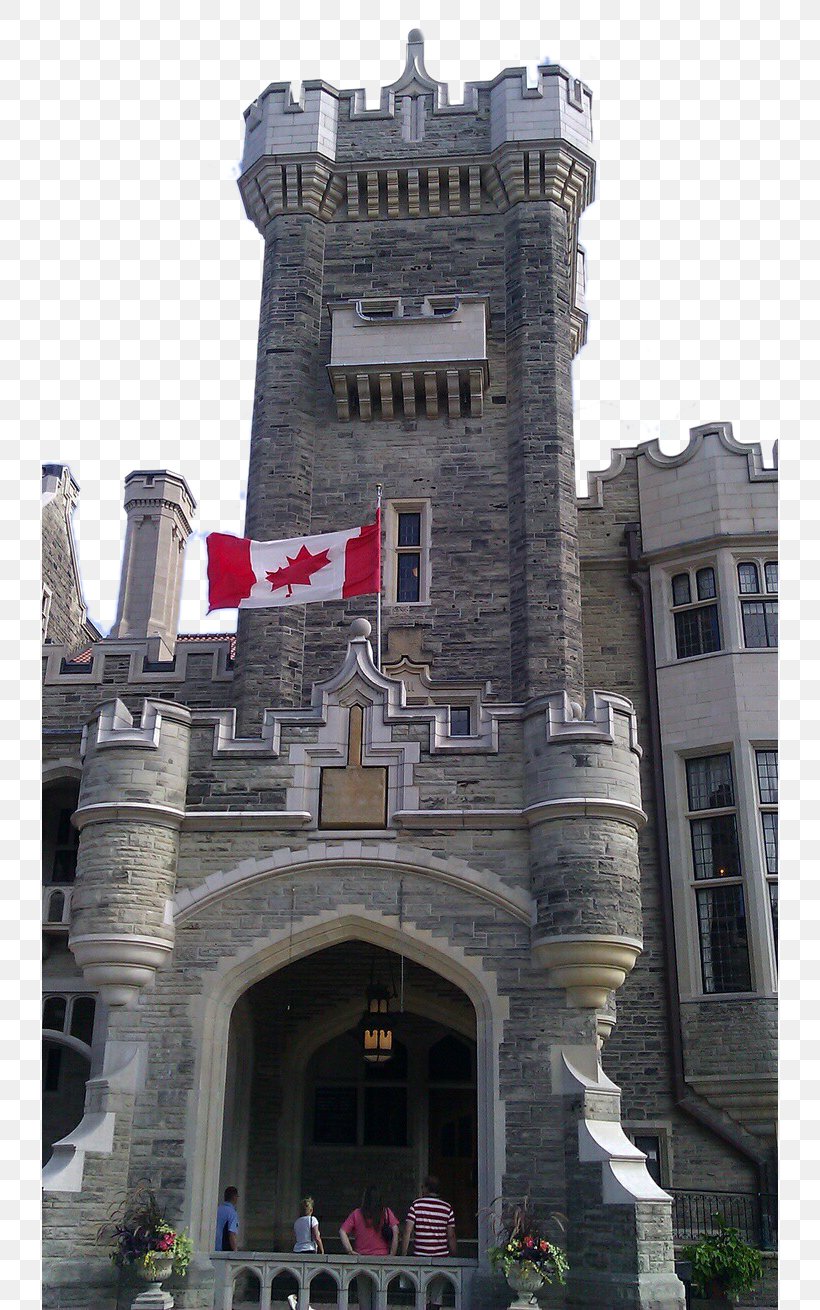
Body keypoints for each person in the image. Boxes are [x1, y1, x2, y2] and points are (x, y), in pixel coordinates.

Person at [401, 1176, 456, 1310]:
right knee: (437, 1296)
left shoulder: (416, 1205)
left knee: (422, 1295)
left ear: (426, 1188)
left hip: (421, 1255)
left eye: (422, 1187)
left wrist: (403, 1254)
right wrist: (454, 1255)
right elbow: (451, 1235)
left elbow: (407, 1231)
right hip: (441, 1256)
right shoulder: (447, 1208)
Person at [339, 1185, 399, 1309]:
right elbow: (396, 1232)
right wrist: (392, 1254)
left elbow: (342, 1231)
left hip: (362, 1259)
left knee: (364, 1299)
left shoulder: (357, 1213)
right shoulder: (386, 1212)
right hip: (382, 1260)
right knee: (379, 1298)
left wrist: (350, 1251)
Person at [214, 1185, 240, 1252]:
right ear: (234, 1197)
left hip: (213, 1248)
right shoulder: (232, 1213)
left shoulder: (217, 1209)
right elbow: (232, 1233)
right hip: (223, 1250)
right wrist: (235, 1251)